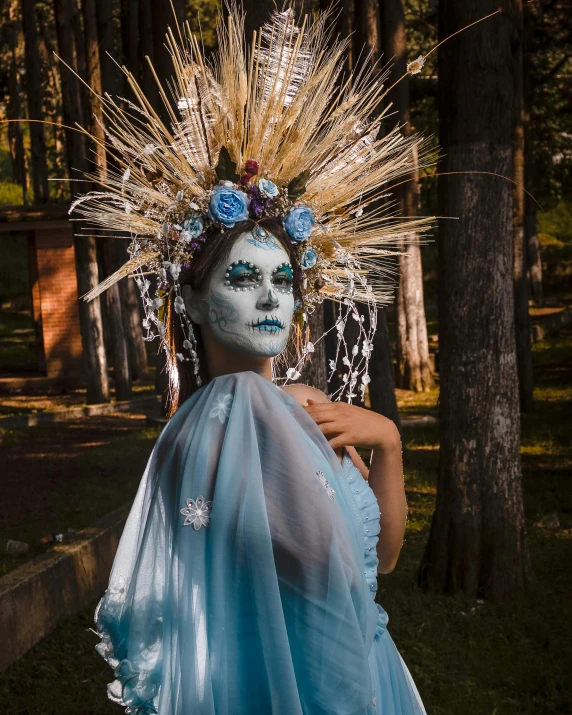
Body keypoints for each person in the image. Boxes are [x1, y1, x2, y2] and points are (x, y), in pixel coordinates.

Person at [76, 7, 431, 712]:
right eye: (242, 278)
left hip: (374, 669)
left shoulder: (291, 409)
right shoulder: (240, 414)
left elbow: (379, 563)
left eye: (282, 280)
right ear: (196, 302)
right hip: (314, 687)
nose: (270, 296)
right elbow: (321, 584)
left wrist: (387, 439)